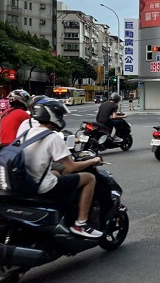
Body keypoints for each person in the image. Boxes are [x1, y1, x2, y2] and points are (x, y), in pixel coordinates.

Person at [24, 99, 103, 238]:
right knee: (89, 178)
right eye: (59, 114)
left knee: (56, 172)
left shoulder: (27, 133)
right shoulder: (52, 137)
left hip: (28, 180)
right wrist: (93, 161)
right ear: (53, 115)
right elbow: (71, 166)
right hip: (42, 185)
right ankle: (81, 223)